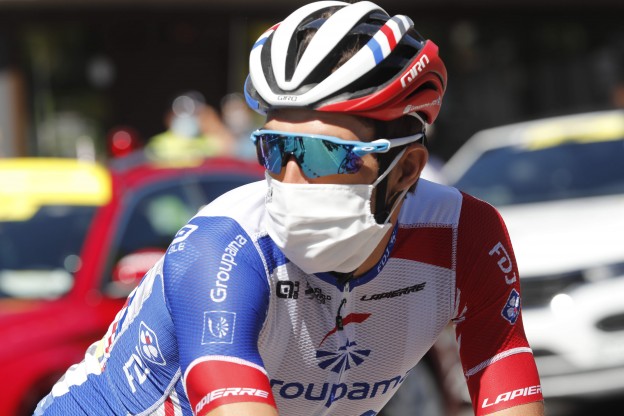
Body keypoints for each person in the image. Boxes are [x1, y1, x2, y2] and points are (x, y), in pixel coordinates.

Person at [34, 2, 544, 415]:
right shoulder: (224, 246)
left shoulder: (464, 236)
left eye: (324, 155)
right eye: (276, 149)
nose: (291, 177)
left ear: (406, 169)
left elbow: (508, 390)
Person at [145, 91, 235, 160]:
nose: (186, 119)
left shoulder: (207, 142)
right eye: (181, 113)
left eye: (194, 114)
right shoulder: (157, 144)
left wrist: (213, 123)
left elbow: (227, 150)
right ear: (169, 117)